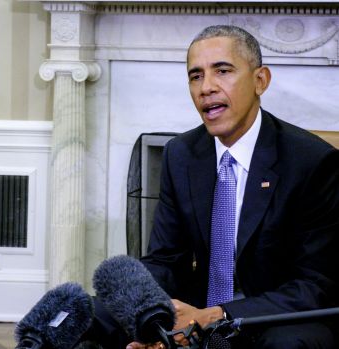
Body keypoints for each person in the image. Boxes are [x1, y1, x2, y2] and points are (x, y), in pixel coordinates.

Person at [118, 25, 339, 348]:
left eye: (222, 71)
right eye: (195, 76)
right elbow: (165, 260)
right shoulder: (181, 154)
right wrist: (152, 316)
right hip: (199, 310)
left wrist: (217, 315)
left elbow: (316, 285)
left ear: (260, 80)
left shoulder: (312, 162)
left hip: (275, 316)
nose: (206, 87)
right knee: (100, 315)